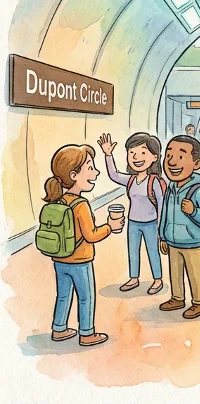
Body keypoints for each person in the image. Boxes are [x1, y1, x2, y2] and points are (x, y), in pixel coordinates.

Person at [45, 144, 123, 346]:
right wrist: (110, 227)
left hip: (60, 259)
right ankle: (87, 333)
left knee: (63, 295)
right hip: (80, 260)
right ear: (73, 175)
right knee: (86, 297)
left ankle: (59, 329)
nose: (95, 173)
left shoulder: (59, 201)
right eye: (90, 168)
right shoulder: (80, 205)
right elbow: (91, 235)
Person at [98, 132, 165, 295]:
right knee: (133, 251)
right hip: (133, 222)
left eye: (142, 152)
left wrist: (161, 229)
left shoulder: (154, 181)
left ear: (154, 157)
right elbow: (114, 175)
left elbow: (162, 204)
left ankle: (158, 280)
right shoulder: (131, 180)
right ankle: (134, 278)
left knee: (152, 251)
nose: (136, 157)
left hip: (151, 223)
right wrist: (108, 155)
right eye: (132, 152)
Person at [159, 136, 200, 319]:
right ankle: (177, 298)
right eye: (168, 156)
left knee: (194, 272)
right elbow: (165, 213)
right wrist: (162, 236)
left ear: (196, 164)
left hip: (192, 240)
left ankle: (199, 302)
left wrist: (193, 211)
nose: (172, 162)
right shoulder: (171, 188)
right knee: (175, 271)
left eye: (180, 157)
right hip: (172, 240)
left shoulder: (197, 190)